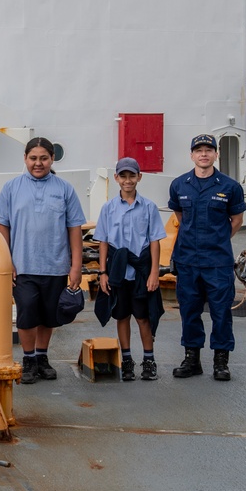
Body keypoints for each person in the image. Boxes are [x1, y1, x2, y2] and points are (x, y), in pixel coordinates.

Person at [0, 137, 86, 384]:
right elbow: (3, 226)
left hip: (55, 265)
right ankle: (29, 358)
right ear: (25, 158)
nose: (38, 163)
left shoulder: (65, 189)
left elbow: (74, 228)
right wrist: (7, 261)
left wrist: (76, 266)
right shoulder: (11, 188)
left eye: (44, 158)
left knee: (48, 315)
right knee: (26, 313)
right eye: (33, 158)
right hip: (22, 266)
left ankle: (42, 357)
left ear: (52, 159)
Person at [167, 134, 246, 381]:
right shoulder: (180, 185)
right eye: (199, 150)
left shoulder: (230, 187)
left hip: (218, 262)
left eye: (208, 150)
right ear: (191, 155)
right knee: (189, 311)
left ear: (215, 154)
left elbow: (237, 220)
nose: (204, 154)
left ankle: (221, 362)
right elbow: (180, 216)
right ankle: (192, 360)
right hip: (188, 261)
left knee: (221, 312)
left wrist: (217, 240)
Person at [94, 158, 166, 382]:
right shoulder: (108, 208)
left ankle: (149, 360)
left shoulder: (149, 207)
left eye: (132, 176)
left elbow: (155, 241)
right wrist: (103, 272)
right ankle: (126, 360)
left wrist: (154, 272)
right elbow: (103, 242)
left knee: (143, 317)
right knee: (121, 315)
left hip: (141, 271)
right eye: (123, 176)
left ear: (139, 177)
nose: (128, 180)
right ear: (116, 178)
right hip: (118, 272)